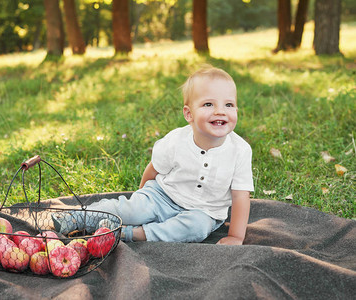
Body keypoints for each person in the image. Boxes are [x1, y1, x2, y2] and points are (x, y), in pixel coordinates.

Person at [53, 65, 254, 245]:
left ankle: (130, 234)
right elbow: (154, 169)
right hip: (163, 196)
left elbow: (240, 196)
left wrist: (236, 236)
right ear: (188, 114)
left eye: (228, 105)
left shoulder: (240, 151)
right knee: (134, 209)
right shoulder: (176, 141)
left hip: (204, 212)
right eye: (208, 104)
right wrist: (142, 201)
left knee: (197, 228)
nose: (220, 111)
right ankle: (79, 218)